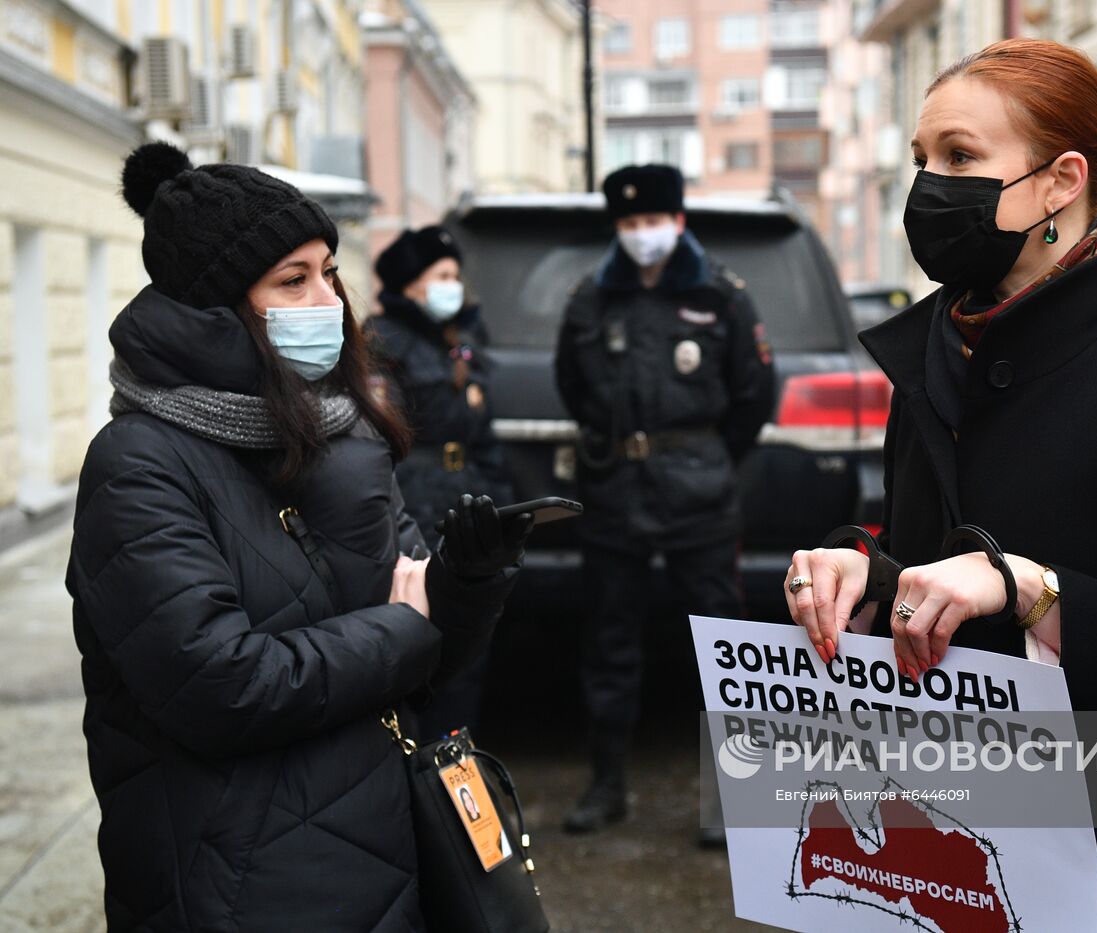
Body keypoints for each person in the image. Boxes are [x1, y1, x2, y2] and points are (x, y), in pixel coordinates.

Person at [784, 39, 1097, 932]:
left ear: (1062, 180)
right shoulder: (929, 360)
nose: (929, 186)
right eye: (922, 160)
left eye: (962, 158)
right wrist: (865, 578)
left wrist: (1033, 591)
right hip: (940, 862)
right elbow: (927, 573)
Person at [66, 141, 533, 932]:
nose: (326, 297)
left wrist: (467, 585)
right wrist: (404, 623)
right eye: (293, 278)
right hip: (239, 877)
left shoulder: (342, 430)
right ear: (218, 305)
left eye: (328, 271)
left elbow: (428, 649)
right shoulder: (138, 462)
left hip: (389, 845)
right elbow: (220, 685)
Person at [554, 163, 776, 834]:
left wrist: (702, 457)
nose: (641, 234)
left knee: (722, 648)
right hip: (615, 492)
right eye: (628, 224)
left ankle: (731, 801)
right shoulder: (591, 299)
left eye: (651, 221)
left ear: (678, 221)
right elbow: (574, 386)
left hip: (699, 494)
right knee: (609, 644)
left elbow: (754, 395)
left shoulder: (722, 297)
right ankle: (606, 785)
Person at [366, 224, 513, 541]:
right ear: (410, 286)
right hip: (414, 504)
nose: (454, 287)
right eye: (442, 277)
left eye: (456, 278)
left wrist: (500, 498)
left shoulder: (459, 340)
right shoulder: (384, 340)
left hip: (468, 495)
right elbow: (377, 438)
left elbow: (483, 436)